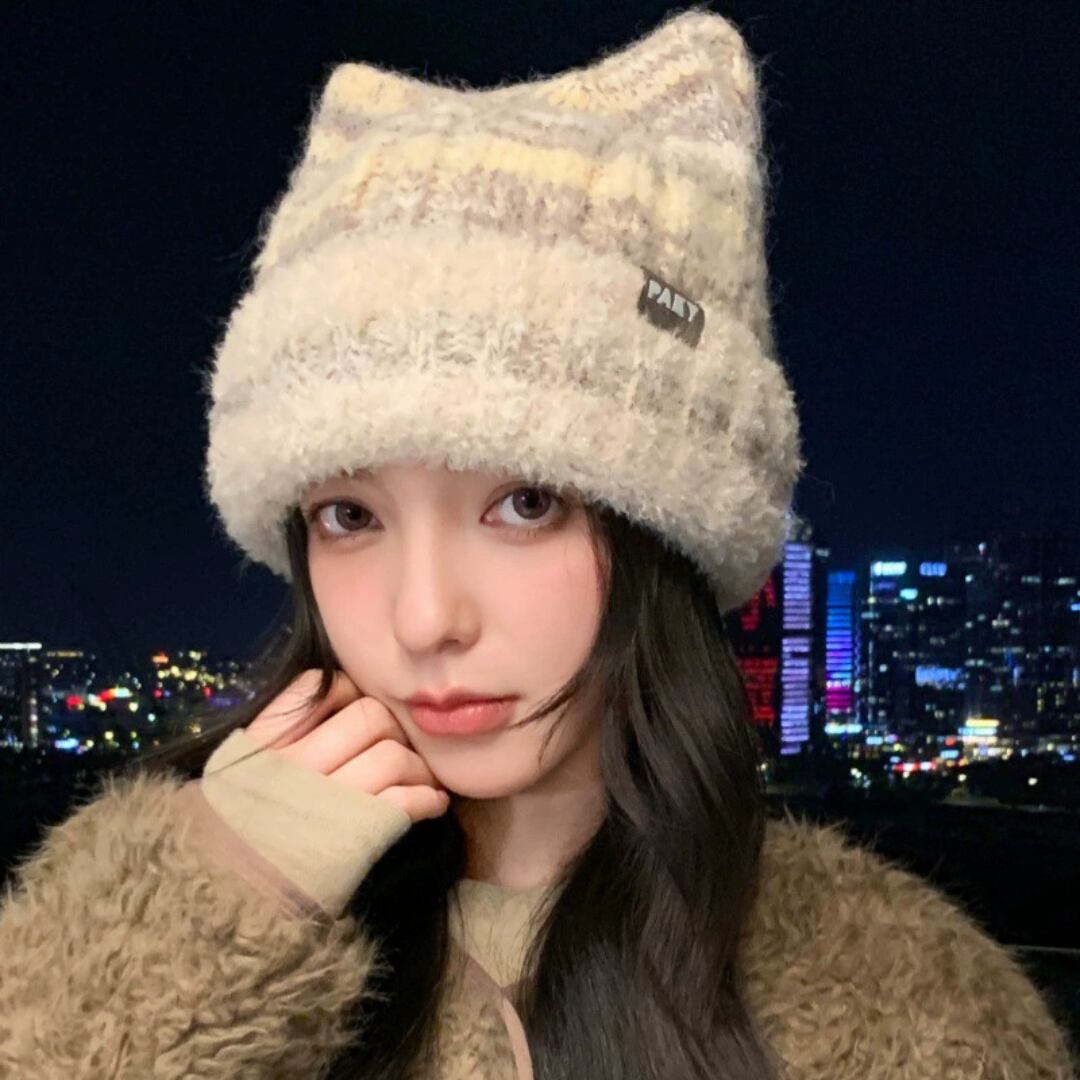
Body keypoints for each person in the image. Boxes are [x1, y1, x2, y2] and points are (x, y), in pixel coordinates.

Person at [1, 7, 1075, 1079]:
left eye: (524, 503)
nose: (425, 618)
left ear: (665, 534)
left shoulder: (898, 1004)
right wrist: (215, 905)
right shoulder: (153, 911)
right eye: (351, 516)